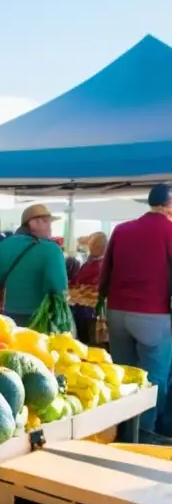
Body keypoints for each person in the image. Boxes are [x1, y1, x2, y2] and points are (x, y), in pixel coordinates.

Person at [99, 184, 172, 436]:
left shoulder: (122, 229)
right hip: (153, 314)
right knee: (154, 380)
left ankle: (120, 431)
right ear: (168, 203)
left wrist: (102, 304)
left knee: (123, 375)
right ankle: (144, 433)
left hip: (117, 312)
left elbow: (105, 271)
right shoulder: (170, 230)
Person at [0, 204, 67, 327]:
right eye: (46, 222)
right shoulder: (52, 249)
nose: (50, 228)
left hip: (10, 316)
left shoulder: (4, 245)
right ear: (33, 224)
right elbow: (58, 287)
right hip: (41, 318)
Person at [70, 231, 107, 345]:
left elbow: (78, 282)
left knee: (86, 342)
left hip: (88, 311)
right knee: (92, 343)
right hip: (92, 311)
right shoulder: (101, 263)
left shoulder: (95, 264)